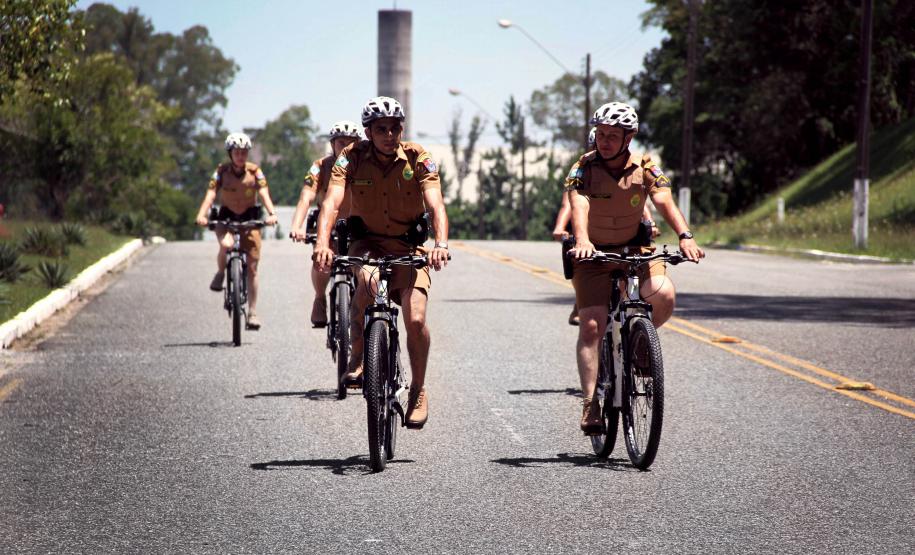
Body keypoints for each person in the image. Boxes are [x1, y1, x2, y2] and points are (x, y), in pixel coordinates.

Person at [566, 102, 704, 434]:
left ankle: (640, 348)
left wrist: (685, 236)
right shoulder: (584, 167)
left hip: (636, 251)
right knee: (591, 327)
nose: (604, 141)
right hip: (594, 255)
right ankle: (591, 404)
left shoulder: (646, 168)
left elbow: (663, 200)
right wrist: (582, 240)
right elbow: (578, 203)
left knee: (663, 294)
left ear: (628, 138)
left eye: (612, 136)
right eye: (601, 134)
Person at [314, 96, 449, 429]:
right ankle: (359, 357)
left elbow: (436, 204)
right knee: (368, 283)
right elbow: (332, 202)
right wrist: (322, 243)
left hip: (408, 247)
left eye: (394, 128)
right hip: (368, 245)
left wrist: (440, 244)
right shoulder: (351, 157)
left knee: (415, 319)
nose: (389, 135)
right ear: (368, 133)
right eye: (381, 129)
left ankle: (418, 390)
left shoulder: (418, 157)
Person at [552, 126, 659, 326]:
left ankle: (625, 319)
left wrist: (650, 223)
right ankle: (582, 304)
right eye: (596, 143)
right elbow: (569, 205)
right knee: (585, 269)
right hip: (589, 232)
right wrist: (560, 227)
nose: (601, 148)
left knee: (628, 275)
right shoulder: (583, 171)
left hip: (620, 234)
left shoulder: (627, 170)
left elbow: (639, 202)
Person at [195, 132, 278, 330]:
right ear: (230, 154)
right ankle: (221, 272)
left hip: (250, 219)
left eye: (244, 152)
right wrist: (202, 214)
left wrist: (272, 213)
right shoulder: (221, 171)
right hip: (227, 218)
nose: (240, 156)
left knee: (252, 268)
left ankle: (252, 312)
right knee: (226, 244)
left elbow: (263, 192)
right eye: (237, 152)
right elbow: (211, 194)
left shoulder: (255, 171)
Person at [289, 120, 361, 326]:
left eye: (351, 143)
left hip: (358, 226)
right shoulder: (320, 166)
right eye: (341, 143)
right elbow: (306, 198)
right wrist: (296, 226)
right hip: (327, 226)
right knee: (322, 263)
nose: (346, 147)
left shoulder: (366, 166)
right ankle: (320, 299)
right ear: (332, 145)